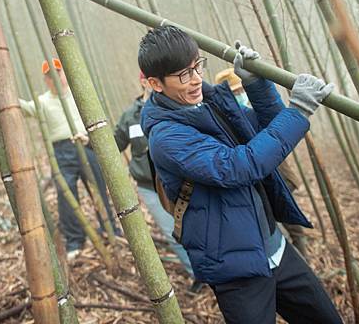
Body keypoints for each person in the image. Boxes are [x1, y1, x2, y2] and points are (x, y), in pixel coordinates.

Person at [138, 25, 342, 324]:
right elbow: (239, 167)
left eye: (197, 67)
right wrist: (298, 111)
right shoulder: (166, 138)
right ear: (156, 83)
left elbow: (264, 132)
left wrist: (257, 84)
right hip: (236, 270)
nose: (196, 79)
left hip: (276, 247)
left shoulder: (210, 102)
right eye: (184, 75)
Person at [19, 58, 118, 259]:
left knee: (98, 190)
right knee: (66, 197)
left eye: (58, 73)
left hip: (86, 145)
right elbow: (22, 107)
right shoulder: (43, 102)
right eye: (50, 75)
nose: (55, 78)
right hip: (62, 151)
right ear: (46, 80)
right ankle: (75, 240)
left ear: (64, 74)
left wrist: (90, 138)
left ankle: (110, 230)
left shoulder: (79, 95)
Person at [114, 71, 203, 292]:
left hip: (180, 182)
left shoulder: (172, 107)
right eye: (148, 80)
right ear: (144, 82)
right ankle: (198, 274)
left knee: (199, 225)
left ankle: (214, 265)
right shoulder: (129, 117)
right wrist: (90, 141)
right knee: (173, 232)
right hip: (149, 186)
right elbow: (114, 144)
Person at [214, 68, 308, 257]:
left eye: (241, 90)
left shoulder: (258, 109)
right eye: (235, 93)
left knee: (292, 223)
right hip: (256, 182)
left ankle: (303, 254)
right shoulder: (225, 119)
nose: (240, 95)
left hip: (279, 174)